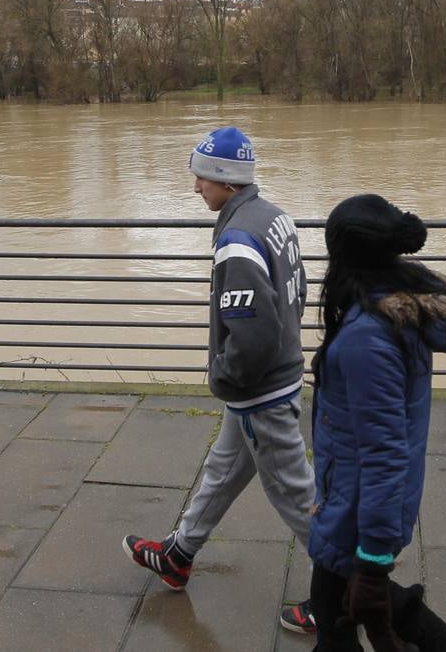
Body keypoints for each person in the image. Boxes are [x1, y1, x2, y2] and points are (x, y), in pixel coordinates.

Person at [122, 126, 319, 635]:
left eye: (203, 179)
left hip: (261, 390)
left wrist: (224, 375)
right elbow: (292, 297)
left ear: (227, 182)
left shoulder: (236, 239)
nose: (195, 188)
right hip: (277, 375)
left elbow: (251, 335)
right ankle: (179, 553)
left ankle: (344, 593)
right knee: (223, 468)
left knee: (295, 494)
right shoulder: (273, 216)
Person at [308, 193, 446, 652]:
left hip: (358, 508)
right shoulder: (399, 312)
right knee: (340, 609)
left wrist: (374, 564)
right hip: (359, 500)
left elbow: (383, 454)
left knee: (352, 612)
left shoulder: (366, 338)